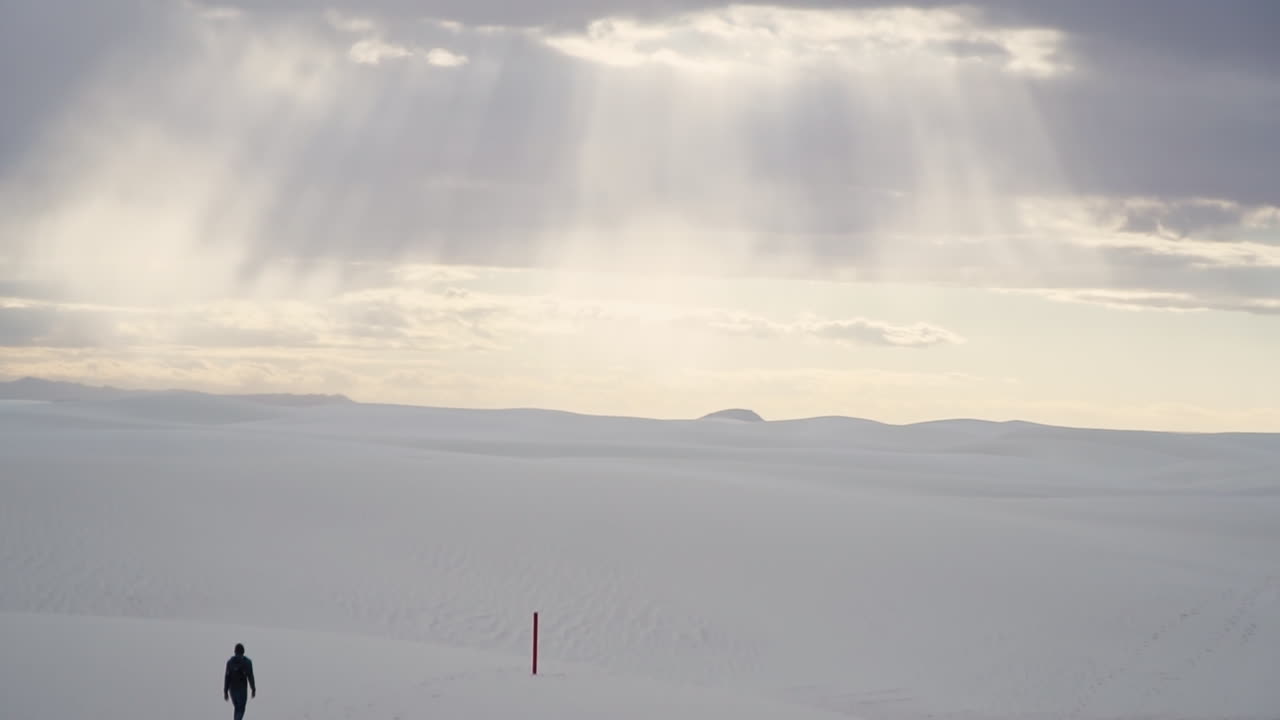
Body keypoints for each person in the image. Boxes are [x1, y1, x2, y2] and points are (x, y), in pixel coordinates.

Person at [223, 643, 256, 720]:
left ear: (235, 651)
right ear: (243, 652)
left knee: (237, 708)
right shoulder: (247, 662)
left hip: (232, 689)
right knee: (241, 709)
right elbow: (250, 676)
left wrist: (225, 691)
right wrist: (253, 689)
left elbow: (227, 677)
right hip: (242, 689)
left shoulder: (230, 662)